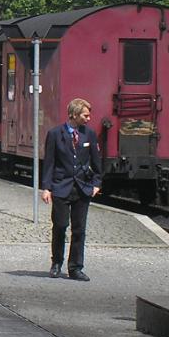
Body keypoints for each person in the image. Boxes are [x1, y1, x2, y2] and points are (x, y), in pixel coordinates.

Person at [41, 97, 102, 282]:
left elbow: (97, 161)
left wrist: (97, 184)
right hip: (61, 187)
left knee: (79, 230)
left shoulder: (89, 135)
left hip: (82, 189)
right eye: (85, 115)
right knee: (60, 226)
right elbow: (49, 163)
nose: (89, 118)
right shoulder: (55, 134)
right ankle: (56, 263)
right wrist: (46, 188)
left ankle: (75, 267)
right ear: (74, 115)